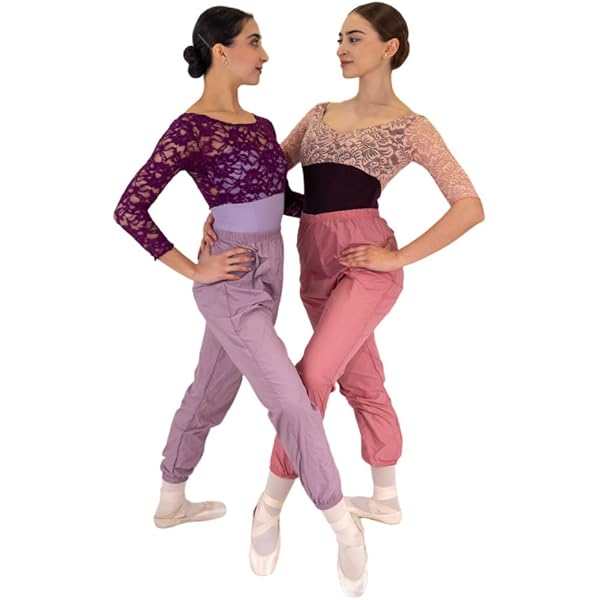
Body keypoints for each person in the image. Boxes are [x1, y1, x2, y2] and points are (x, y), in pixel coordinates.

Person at [202, 0, 484, 571]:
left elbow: (469, 206)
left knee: (310, 376)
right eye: (339, 38)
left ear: (389, 47)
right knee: (362, 377)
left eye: (354, 38)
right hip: (315, 263)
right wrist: (223, 212)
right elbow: (265, 178)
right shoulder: (319, 114)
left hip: (367, 265)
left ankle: (270, 504)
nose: (341, 49)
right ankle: (385, 498)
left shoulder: (412, 127)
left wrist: (396, 256)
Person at [113, 7, 368, 596]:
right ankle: (342, 525)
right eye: (255, 42)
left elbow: (278, 198)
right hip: (229, 280)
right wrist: (193, 267)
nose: (265, 54)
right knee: (294, 402)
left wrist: (352, 213)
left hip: (271, 267)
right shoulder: (190, 128)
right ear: (221, 51)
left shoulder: (260, 124)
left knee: (210, 390)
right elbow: (129, 208)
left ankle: (171, 498)